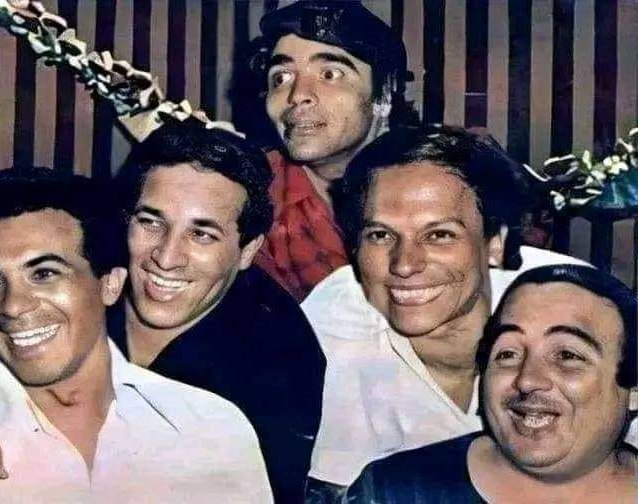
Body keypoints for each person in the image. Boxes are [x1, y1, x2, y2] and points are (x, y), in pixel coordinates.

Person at [0, 123, 325, 503]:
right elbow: (0, 329)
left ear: (248, 251)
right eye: (151, 222)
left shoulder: (281, 360)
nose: (166, 257)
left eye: (201, 233)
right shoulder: (88, 275)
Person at [302, 126, 593, 486]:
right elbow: (334, 485)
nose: (404, 265)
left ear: (494, 243)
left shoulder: (576, 302)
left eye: (439, 235)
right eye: (381, 235)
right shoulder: (333, 321)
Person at [334, 264, 637, 503]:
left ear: (633, 390)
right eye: (507, 354)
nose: (527, 380)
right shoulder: (392, 493)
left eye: (567, 355)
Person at [246, 0, 419, 300]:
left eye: (329, 74)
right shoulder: (253, 192)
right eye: (281, 77)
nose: (297, 95)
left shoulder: (449, 181)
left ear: (384, 93)